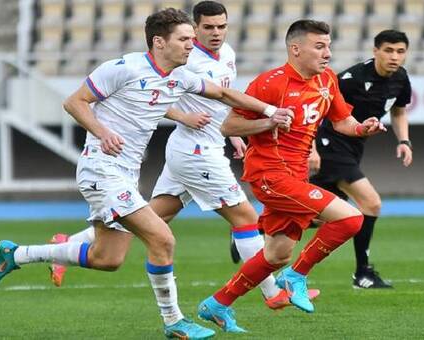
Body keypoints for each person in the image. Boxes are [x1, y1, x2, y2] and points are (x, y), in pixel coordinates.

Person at [0, 8, 293, 339]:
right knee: (162, 238)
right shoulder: (124, 68)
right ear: (160, 42)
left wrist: (270, 110)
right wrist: (102, 132)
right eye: (185, 39)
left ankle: (16, 254)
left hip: (126, 172)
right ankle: (174, 321)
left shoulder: (180, 76)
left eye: (193, 39)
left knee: (108, 258)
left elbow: (222, 94)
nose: (192, 45)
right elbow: (75, 102)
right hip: (101, 169)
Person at [48, 0, 318, 310]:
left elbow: (222, 98)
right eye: (208, 28)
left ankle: (68, 245)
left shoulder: (226, 55)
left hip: (208, 145)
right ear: (196, 28)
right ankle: (273, 292)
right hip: (195, 150)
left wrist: (236, 133)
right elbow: (152, 95)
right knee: (244, 218)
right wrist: (181, 116)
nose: (216, 34)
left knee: (152, 216)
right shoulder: (183, 61)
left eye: (222, 27)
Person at [196, 19, 386, 333]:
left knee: (276, 254)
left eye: (328, 45)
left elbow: (343, 122)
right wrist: (269, 122)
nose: (327, 52)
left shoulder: (327, 79)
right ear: (295, 49)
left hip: (297, 176)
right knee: (351, 218)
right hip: (270, 175)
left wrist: (363, 128)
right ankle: (296, 277)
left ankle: (217, 304)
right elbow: (229, 127)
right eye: (319, 46)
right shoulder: (271, 83)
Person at [309, 29, 412, 289]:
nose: (394, 56)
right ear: (375, 51)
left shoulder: (401, 78)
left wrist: (404, 141)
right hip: (330, 145)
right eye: (388, 50)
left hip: (353, 149)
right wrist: (311, 148)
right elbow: (315, 111)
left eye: (400, 51)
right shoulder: (352, 78)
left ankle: (256, 228)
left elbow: (399, 111)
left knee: (320, 217)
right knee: (371, 203)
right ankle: (363, 273)